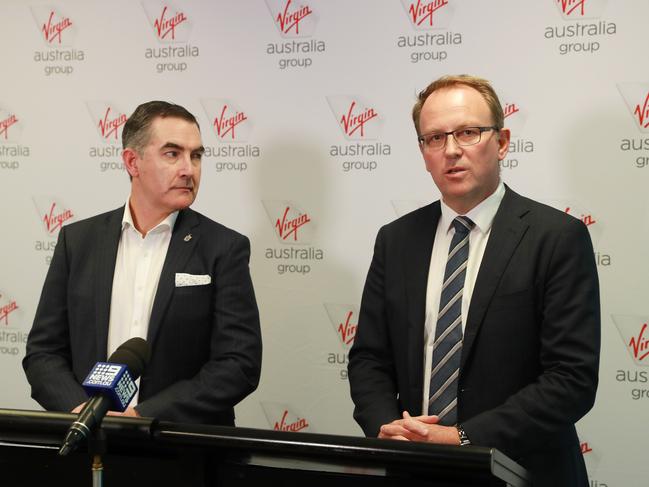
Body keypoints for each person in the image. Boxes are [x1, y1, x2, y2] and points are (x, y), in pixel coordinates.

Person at [348, 75, 600, 486]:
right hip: (415, 468)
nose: (451, 150)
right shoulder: (396, 239)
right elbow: (369, 359)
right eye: (434, 138)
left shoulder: (557, 237)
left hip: (521, 472)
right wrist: (388, 426)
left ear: (501, 142)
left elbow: (570, 379)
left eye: (467, 133)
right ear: (423, 152)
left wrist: (464, 438)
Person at [23, 101, 262, 425]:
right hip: (90, 443)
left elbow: (239, 364)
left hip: (181, 451)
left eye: (196, 155)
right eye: (172, 153)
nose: (189, 169)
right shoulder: (78, 241)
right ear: (132, 162)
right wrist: (80, 411)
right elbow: (44, 353)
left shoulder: (223, 247)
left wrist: (142, 416)